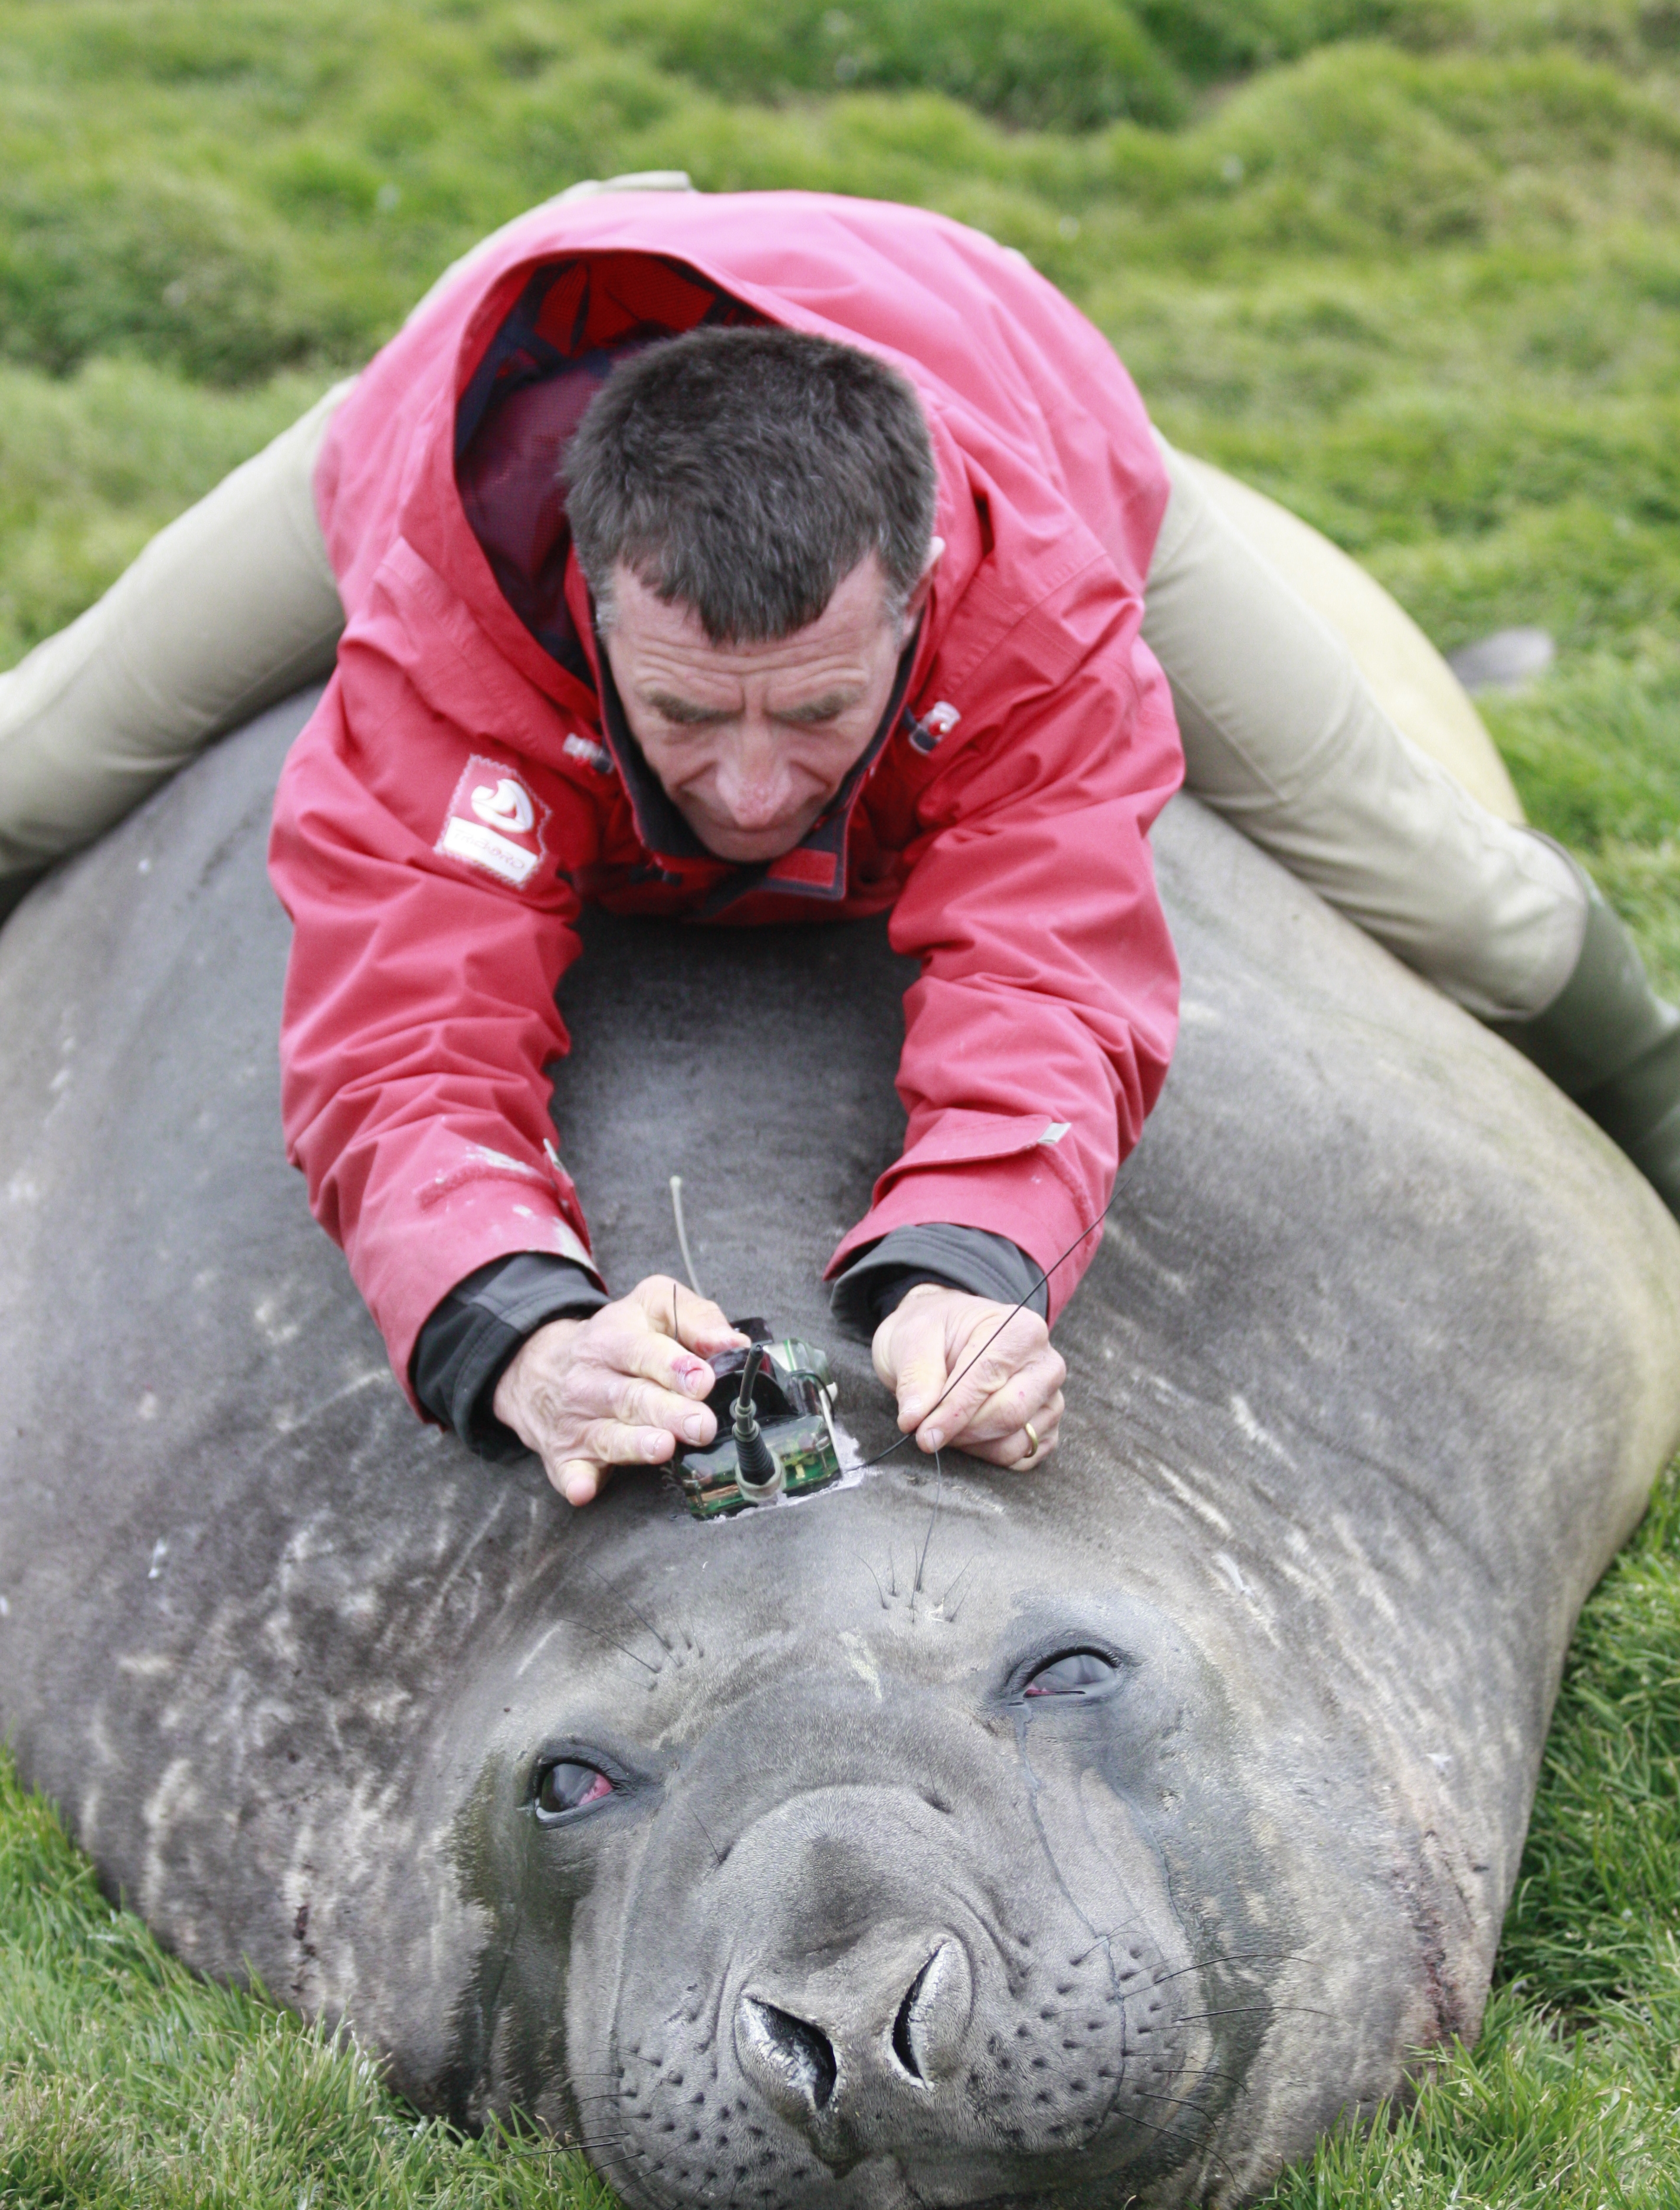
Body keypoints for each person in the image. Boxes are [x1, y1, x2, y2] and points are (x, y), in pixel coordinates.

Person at [4, 178, 1676, 1510]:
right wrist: (507, 1325)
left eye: (813, 716)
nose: (746, 796)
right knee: (31, 769)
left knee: (1470, 905)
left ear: (920, 593)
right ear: (587, 600)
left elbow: (1053, 962)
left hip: (1009, 377)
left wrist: (976, 1259)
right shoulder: (457, 624)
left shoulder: (1030, 603)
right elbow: (402, 1035)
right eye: (684, 716)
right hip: (428, 407)